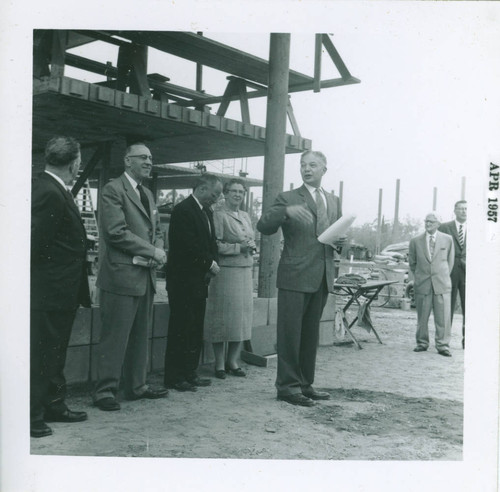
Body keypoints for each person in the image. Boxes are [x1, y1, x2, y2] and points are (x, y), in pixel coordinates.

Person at [257, 150, 343, 407]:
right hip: (295, 276)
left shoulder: (334, 200)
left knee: (309, 336)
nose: (307, 169)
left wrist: (341, 242)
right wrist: (286, 212)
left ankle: (305, 384)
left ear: (324, 170)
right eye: (303, 165)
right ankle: (287, 387)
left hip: (322, 276)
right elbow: (263, 226)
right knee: (290, 335)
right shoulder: (288, 198)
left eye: (313, 165)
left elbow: (333, 234)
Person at [93, 143, 168, 411]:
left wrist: (157, 248)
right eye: (143, 157)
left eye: (151, 157)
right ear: (128, 161)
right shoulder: (113, 190)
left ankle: (136, 386)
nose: (149, 162)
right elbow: (115, 231)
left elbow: (155, 228)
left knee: (139, 334)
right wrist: (152, 250)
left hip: (144, 274)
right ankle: (105, 391)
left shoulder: (147, 193)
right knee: (115, 336)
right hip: (121, 276)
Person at [31, 136, 90, 437]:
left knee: (53, 352)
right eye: (79, 160)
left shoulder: (51, 188)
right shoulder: (50, 192)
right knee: (43, 353)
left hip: (58, 291)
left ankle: (53, 405)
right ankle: (32, 416)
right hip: (50, 291)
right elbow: (35, 245)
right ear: (74, 162)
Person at [164, 174, 223, 391]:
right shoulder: (183, 210)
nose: (215, 199)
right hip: (182, 281)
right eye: (214, 194)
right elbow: (186, 245)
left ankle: (190, 372)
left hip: (199, 281)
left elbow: (211, 242)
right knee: (181, 327)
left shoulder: (206, 211)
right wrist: (209, 263)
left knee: (195, 328)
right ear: (202, 188)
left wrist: (212, 262)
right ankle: (174, 376)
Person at [204, 178, 256, 379]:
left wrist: (251, 245)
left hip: (245, 271)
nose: (237, 195)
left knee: (240, 318)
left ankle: (232, 361)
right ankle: (219, 364)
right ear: (225, 193)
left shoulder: (245, 215)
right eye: (233, 191)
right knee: (222, 318)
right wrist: (238, 248)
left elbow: (249, 238)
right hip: (226, 272)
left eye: (241, 192)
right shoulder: (219, 215)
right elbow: (214, 245)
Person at [409, 212, 455, 357]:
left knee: (443, 317)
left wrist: (442, 276)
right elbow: (412, 264)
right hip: (423, 285)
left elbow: (450, 262)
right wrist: (418, 279)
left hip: (441, 284)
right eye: (426, 221)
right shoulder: (415, 241)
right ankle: (422, 343)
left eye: (431, 222)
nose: (428, 224)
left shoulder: (448, 240)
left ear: (438, 224)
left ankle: (442, 345)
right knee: (422, 317)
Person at [438, 200, 466, 349]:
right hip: (449, 270)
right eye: (460, 209)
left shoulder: (477, 228)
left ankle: (467, 341)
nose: (463, 211)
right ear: (454, 210)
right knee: (447, 306)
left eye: (466, 209)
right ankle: (444, 342)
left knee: (469, 308)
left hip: (469, 272)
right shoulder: (445, 227)